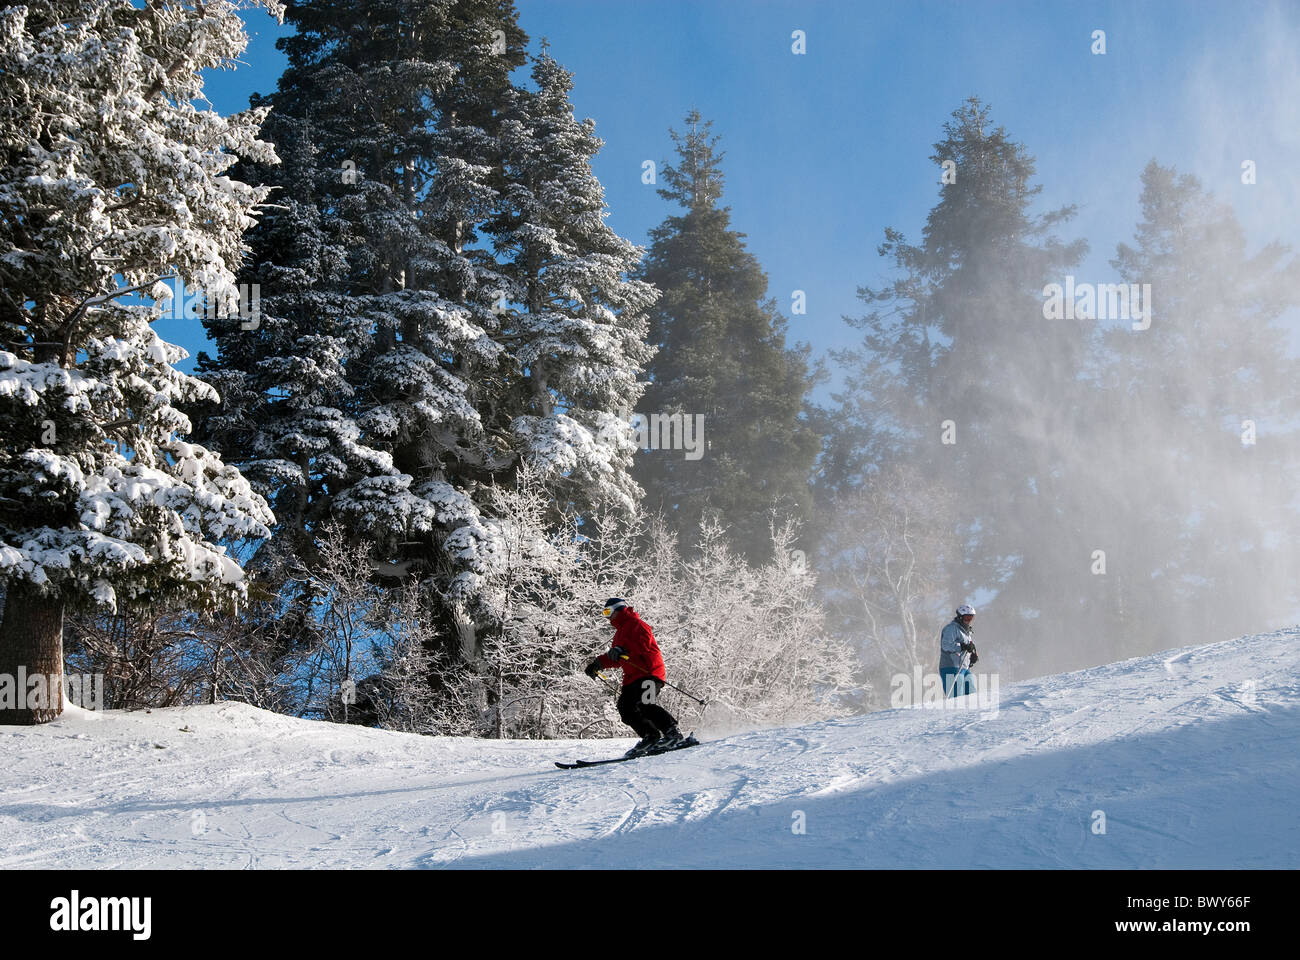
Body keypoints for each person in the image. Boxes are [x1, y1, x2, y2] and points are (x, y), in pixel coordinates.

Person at [584, 598, 684, 757]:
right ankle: (651, 736)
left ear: (619, 610)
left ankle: (673, 733)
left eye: (608, 612)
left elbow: (642, 644)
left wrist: (623, 649)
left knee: (646, 703)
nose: (607, 617)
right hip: (632, 678)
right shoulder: (619, 633)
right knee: (625, 708)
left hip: (649, 674)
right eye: (604, 613)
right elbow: (616, 657)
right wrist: (597, 664)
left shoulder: (638, 624)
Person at [939, 604, 979, 698]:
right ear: (960, 617)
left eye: (971, 617)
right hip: (951, 667)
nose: (969, 620)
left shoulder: (966, 632)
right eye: (967, 617)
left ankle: (972, 713)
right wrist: (962, 646)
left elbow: (968, 647)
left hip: (964, 667)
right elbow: (946, 645)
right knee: (956, 698)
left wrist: (972, 656)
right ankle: (956, 713)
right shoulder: (952, 628)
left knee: (972, 695)